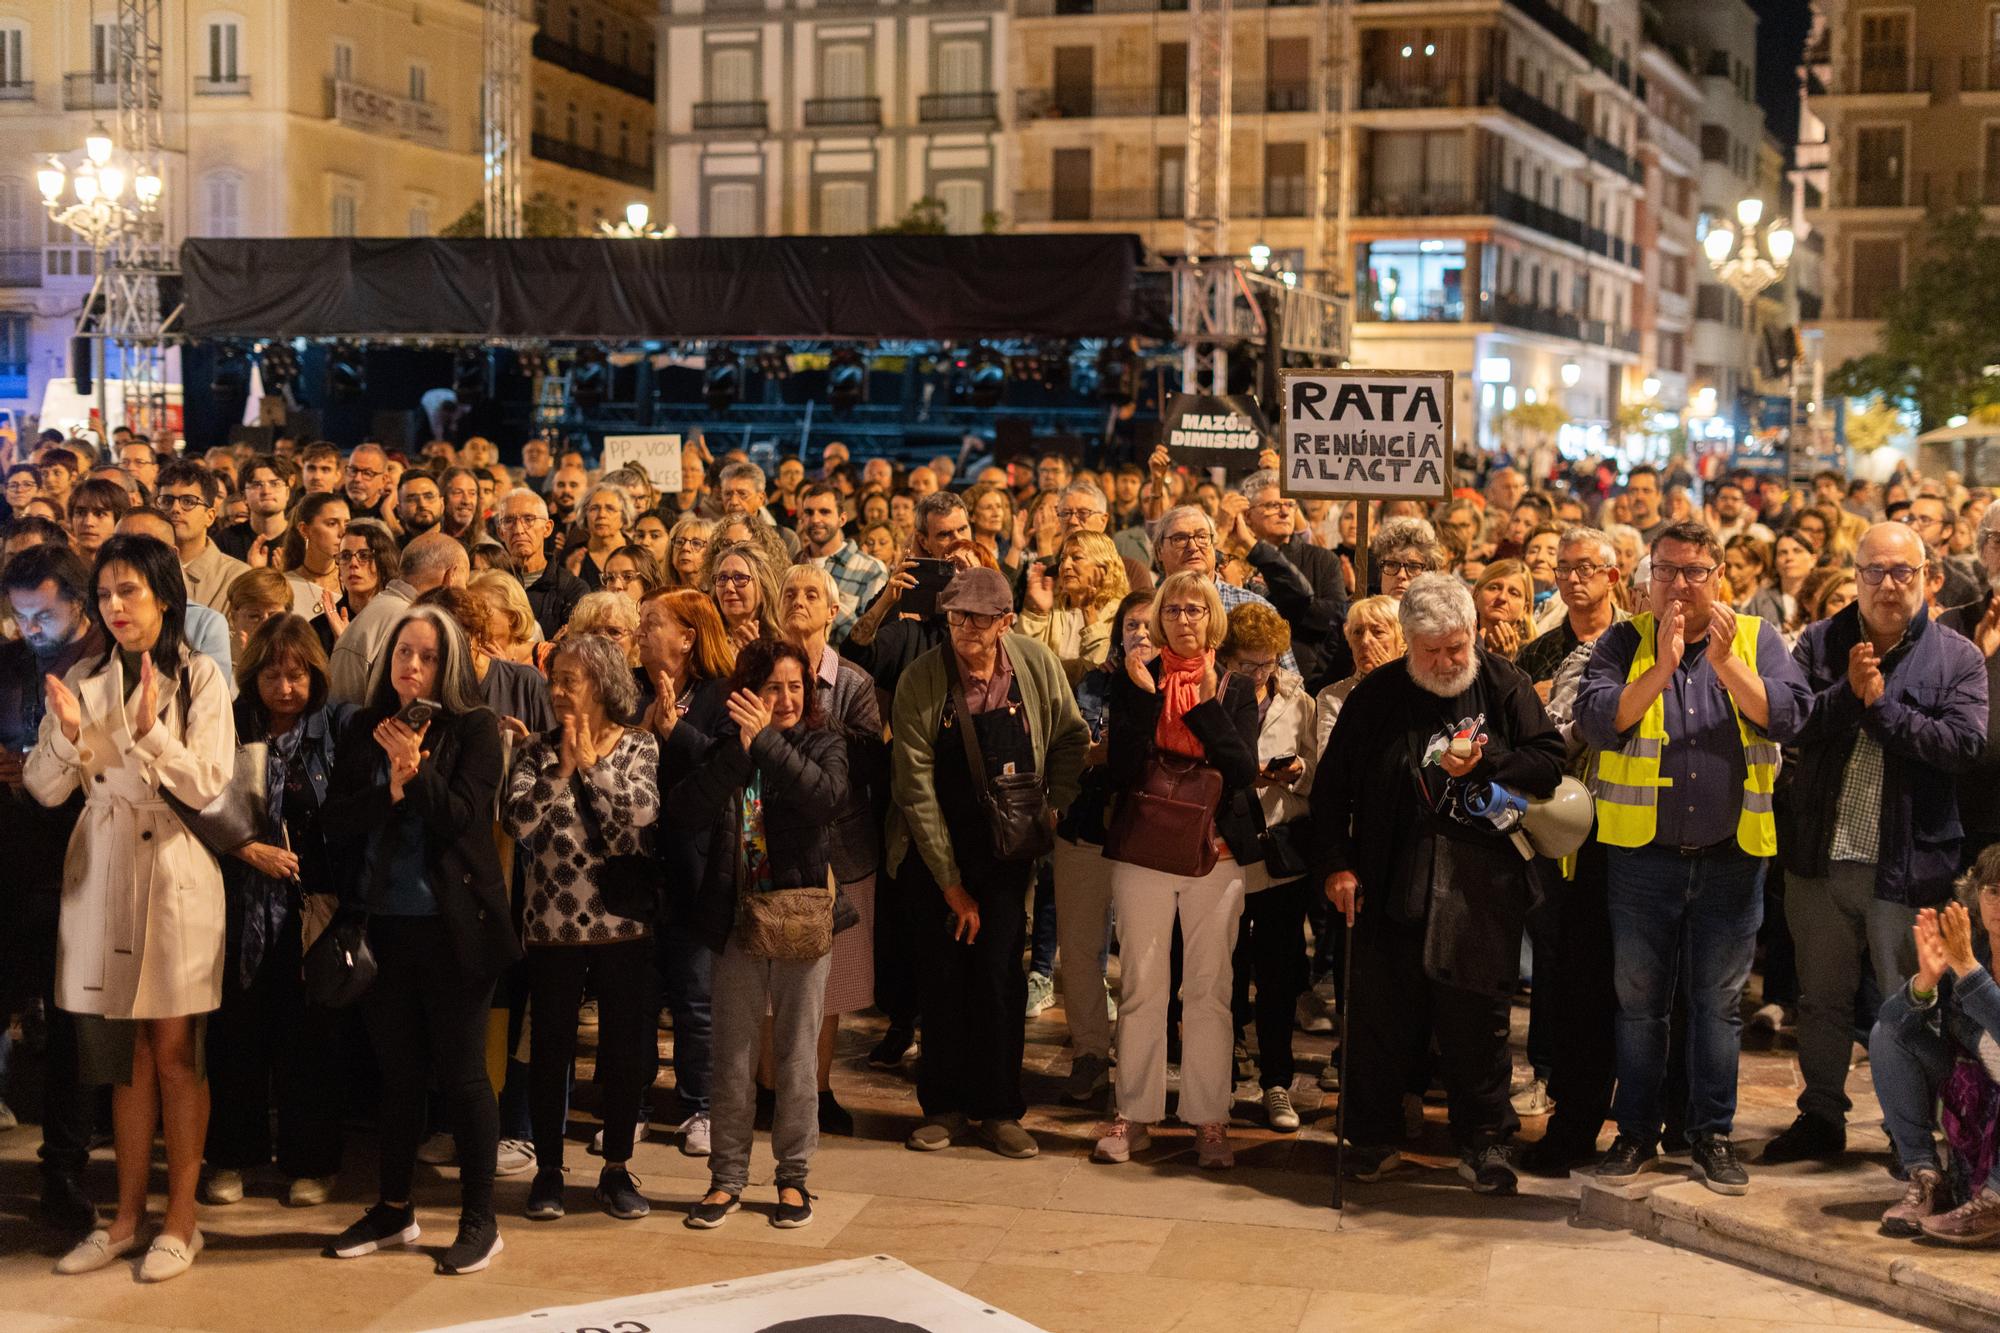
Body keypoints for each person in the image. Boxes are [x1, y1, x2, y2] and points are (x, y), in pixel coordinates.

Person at [1576, 521, 1813, 1195]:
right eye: (1667, 570)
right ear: (1645, 576)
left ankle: (1711, 1134)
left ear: (1720, 575)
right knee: (1640, 1005)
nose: (1680, 584)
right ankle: (1635, 1132)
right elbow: (1600, 721)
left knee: (1717, 1006)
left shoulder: (1760, 638)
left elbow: (1789, 717)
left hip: (1731, 860)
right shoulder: (1623, 641)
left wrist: (1724, 661)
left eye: (1695, 571)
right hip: (1642, 861)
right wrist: (1660, 665)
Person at [1316, 574, 1565, 1194]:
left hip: (1481, 884)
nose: (1448, 661)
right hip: (1388, 877)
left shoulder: (1502, 683)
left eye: (1457, 647)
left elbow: (1550, 759)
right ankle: (1373, 1138)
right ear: (1408, 643)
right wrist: (1337, 865)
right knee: (1381, 1017)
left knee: (1477, 1021)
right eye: (1433, 651)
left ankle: (1484, 1142)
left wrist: (1489, 763)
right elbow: (1330, 795)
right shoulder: (1374, 697)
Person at [31, 534, 236, 1280]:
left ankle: (181, 1217)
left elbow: (211, 783)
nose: (116, 607)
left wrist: (151, 732)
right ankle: (124, 1216)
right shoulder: (81, 672)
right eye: (106, 594)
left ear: (165, 596)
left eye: (131, 592)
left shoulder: (201, 674)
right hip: (104, 865)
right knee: (124, 1058)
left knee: (176, 1051)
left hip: (176, 865)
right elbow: (45, 787)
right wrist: (65, 732)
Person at [1766, 522, 1988, 1164]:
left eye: (1903, 572)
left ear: (1928, 577)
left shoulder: (1957, 656)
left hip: (1907, 865)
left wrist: (1882, 708)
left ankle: (1909, 1133)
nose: (1889, 585)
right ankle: (1820, 1118)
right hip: (1821, 858)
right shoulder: (1821, 640)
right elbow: (1792, 721)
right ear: (1855, 574)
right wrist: (1850, 695)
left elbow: (1964, 746)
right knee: (1821, 998)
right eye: (1875, 572)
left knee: (1910, 1005)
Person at [321, 606, 520, 1276]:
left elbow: (464, 818)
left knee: (464, 1077)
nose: (412, 665)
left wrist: (416, 771)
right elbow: (335, 821)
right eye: (403, 651)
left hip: (456, 928)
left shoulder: (475, 727)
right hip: (384, 924)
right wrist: (389, 787)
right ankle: (394, 1206)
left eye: (428, 656)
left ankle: (479, 1219)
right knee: (398, 1076)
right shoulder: (362, 725)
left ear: (450, 665)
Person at [891, 567, 1087, 1158]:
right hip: (937, 851)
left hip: (1010, 849)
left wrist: (1056, 805)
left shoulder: (1033, 663)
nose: (964, 629)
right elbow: (915, 790)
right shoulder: (921, 679)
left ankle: (999, 1110)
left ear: (1006, 621)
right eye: (955, 617)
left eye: (978, 618)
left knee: (1000, 978)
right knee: (942, 978)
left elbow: (1071, 738)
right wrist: (951, 885)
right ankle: (944, 1109)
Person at [667, 638, 848, 1230]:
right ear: (747, 693)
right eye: (774, 687)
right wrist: (740, 752)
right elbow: (684, 814)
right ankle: (726, 1180)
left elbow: (824, 799)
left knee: (797, 1055)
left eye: (797, 687)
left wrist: (767, 742)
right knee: (733, 1056)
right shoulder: (727, 748)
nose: (788, 697)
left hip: (799, 916)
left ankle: (794, 1180)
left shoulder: (825, 743)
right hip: (736, 915)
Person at [1091, 571, 1265, 1169]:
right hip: (1145, 848)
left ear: (1212, 619)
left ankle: (1209, 1119)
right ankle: (1133, 1114)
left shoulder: (1235, 684)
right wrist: (1143, 696)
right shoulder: (1135, 680)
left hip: (1214, 853)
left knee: (1211, 990)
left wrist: (1206, 703)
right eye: (1173, 611)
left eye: (1196, 610)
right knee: (1141, 983)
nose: (1184, 620)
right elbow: (1118, 771)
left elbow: (1243, 769)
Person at [503, 634, 660, 1222]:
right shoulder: (535, 751)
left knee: (623, 1053)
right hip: (551, 927)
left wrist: (592, 769)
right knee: (550, 1052)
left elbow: (641, 820)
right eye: (554, 679)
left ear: (602, 684)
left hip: (624, 926)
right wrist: (559, 772)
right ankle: (548, 1171)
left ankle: (616, 1169)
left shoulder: (639, 746)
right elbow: (517, 824)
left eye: (570, 679)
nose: (558, 689)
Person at [202, 615, 350, 1212]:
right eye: (271, 674)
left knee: (309, 1042)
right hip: (237, 901)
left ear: (315, 673)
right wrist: (247, 850)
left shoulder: (336, 726)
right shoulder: (230, 724)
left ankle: (312, 1163)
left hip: (312, 905)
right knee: (236, 1036)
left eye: (296, 675)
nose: (285, 687)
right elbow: (202, 801)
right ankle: (232, 1157)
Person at [776, 565, 883, 1134]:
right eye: (789, 593)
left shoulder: (855, 682)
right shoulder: (762, 673)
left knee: (831, 983)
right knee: (773, 975)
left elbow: (868, 760)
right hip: (773, 846)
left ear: (833, 611)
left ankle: (816, 1090)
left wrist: (816, 730)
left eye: (810, 594)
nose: (799, 601)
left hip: (841, 848)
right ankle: (771, 1091)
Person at [635, 587, 737, 1157]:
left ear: (688, 636)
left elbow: (730, 768)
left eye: (652, 623)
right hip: (641, 868)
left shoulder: (721, 694)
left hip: (697, 868)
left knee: (697, 1000)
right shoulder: (633, 691)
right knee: (640, 998)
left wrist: (674, 731)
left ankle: (700, 1108)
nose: (641, 632)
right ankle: (635, 1106)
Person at [1221, 602, 1319, 1133]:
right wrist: (1246, 776)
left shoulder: (1297, 702)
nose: (1260, 675)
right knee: (1225, 971)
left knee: (1279, 974)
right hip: (1226, 855)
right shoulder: (1215, 698)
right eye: (1248, 665)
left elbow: (1316, 772)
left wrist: (1296, 774)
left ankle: (1276, 1081)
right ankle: (1222, 1070)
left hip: (1281, 857)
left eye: (1268, 664)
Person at [1054, 589, 1153, 1105]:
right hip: (1085, 829)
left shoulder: (1177, 685)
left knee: (1142, 955)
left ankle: (1137, 1057)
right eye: (1131, 625)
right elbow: (1065, 753)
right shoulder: (1090, 683)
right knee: (1078, 950)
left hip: (1148, 839)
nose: (1139, 634)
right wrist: (1099, 754)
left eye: (1148, 624)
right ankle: (1090, 1052)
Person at [1869, 863, 2000, 1243]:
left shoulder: (1966, 958)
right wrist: (1925, 982)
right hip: (1975, 1090)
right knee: (1888, 1035)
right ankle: (1925, 1176)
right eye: (1993, 891)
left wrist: (1969, 972)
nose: (1999, 904)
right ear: (1977, 895)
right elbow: (1890, 1022)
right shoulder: (1968, 945)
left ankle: (1995, 1205)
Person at [327, 532, 467, 704]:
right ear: (450, 577)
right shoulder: (411, 623)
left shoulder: (381, 608)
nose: (465, 594)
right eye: (465, 584)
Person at [1517, 528, 1628, 693]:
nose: (1572, 579)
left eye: (1584, 568)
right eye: (1563, 569)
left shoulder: (1636, 638)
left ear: (1611, 577)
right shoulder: (1536, 653)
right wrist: (1529, 699)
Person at [1019, 530, 1130, 682]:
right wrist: (1037, 612)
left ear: (1103, 568)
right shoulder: (1052, 606)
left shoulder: (1122, 614)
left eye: (1076, 558)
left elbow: (1103, 668)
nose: (1065, 565)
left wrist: (1089, 612)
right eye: (1063, 558)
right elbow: (1022, 660)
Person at [797, 482, 887, 644]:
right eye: (809, 512)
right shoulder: (791, 565)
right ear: (802, 518)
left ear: (842, 519)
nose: (816, 519)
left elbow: (869, 640)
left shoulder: (871, 569)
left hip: (842, 666)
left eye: (824, 512)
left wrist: (824, 605)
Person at [156, 462, 251, 615]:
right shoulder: (143, 567)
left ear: (210, 516)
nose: (175, 509)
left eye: (188, 501)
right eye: (167, 501)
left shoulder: (237, 578)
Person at [495, 489, 587, 636]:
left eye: (528, 519)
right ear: (501, 533)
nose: (518, 530)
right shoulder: (491, 586)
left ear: (547, 528)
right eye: (508, 521)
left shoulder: (572, 589)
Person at [708, 540, 781, 650]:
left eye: (740, 577)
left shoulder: (780, 645)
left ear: (763, 587)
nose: (728, 587)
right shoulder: (704, 641)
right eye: (722, 578)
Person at [563, 483, 635, 590]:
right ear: (584, 515)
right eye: (594, 508)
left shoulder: (638, 556)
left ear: (624, 517)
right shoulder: (570, 557)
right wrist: (570, 576)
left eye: (610, 509)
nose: (601, 515)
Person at [335, 518, 398, 624]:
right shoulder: (322, 627)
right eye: (345, 556)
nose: (353, 563)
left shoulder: (401, 618)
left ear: (384, 562)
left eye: (364, 555)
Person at [1368, 516, 1443, 601]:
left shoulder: (1441, 613)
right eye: (1392, 565)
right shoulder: (1361, 611)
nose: (1401, 575)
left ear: (1429, 572)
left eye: (1413, 567)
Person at [67, 476, 130, 567]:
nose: (88, 522)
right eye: (80, 513)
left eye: (99, 514)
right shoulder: (58, 571)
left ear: (119, 520)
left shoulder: (130, 571)